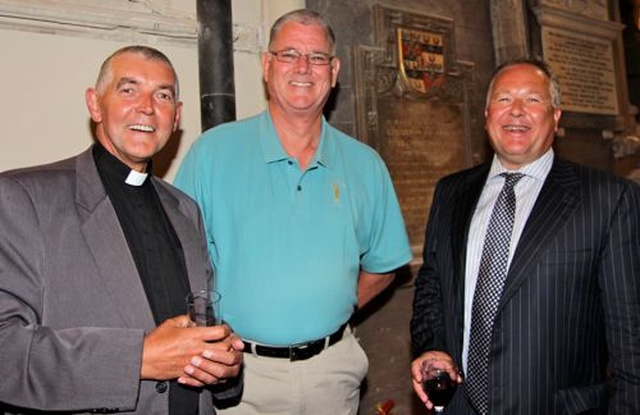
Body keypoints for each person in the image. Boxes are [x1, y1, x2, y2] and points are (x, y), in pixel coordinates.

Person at [175, 9, 412, 415]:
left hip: (332, 372)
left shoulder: (365, 164)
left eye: (317, 57)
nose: (304, 67)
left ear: (334, 71)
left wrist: (338, 303)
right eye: (289, 54)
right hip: (239, 377)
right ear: (267, 66)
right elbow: (176, 257)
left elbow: (384, 264)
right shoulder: (211, 154)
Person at [0, 45, 243, 414]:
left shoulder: (185, 210)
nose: (147, 106)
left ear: (175, 117)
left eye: (163, 95)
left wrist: (225, 367)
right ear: (95, 104)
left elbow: (203, 324)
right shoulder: (24, 198)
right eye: (128, 89)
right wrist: (138, 358)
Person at [410, 57, 640, 414]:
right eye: (503, 99)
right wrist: (433, 345)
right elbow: (432, 286)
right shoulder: (451, 192)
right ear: (487, 115)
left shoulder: (608, 198)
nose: (516, 111)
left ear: (556, 117)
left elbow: (631, 335)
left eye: (532, 100)